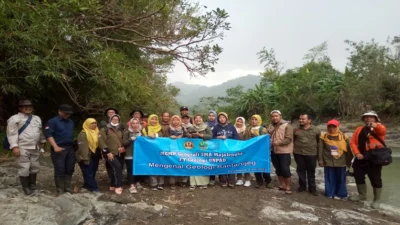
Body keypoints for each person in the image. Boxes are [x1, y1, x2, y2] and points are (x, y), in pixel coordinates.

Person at [6, 100, 46, 195]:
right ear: (20, 108)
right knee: (24, 167)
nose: (28, 108)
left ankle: (32, 185)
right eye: (25, 106)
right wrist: (14, 147)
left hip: (35, 147)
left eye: (30, 106)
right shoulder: (14, 119)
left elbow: (39, 131)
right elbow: (11, 134)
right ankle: (26, 187)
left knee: (34, 166)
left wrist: (42, 141)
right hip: (22, 147)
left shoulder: (36, 118)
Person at [349, 111, 386, 209]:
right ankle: (362, 195)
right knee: (358, 176)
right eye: (366, 117)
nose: (368, 118)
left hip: (375, 158)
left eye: (371, 117)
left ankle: (377, 199)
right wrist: (357, 153)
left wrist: (376, 125)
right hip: (360, 157)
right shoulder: (359, 129)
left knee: (375, 178)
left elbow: (382, 131)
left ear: (375, 119)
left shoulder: (379, 128)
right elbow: (352, 142)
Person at [318, 119, 352, 200]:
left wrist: (350, 162)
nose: (332, 129)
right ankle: (330, 193)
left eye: (334, 127)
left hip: (341, 161)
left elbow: (349, 150)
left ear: (337, 127)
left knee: (341, 178)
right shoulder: (323, 137)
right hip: (328, 160)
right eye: (330, 127)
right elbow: (320, 149)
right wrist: (320, 160)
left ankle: (341, 194)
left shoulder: (344, 136)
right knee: (329, 178)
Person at [45, 104, 75, 195]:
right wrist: (55, 146)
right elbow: (49, 135)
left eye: (69, 114)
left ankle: (67, 187)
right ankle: (60, 190)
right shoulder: (53, 122)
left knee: (70, 168)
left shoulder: (70, 122)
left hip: (70, 148)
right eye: (65, 113)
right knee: (60, 169)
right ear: (59, 111)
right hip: (59, 147)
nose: (67, 115)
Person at [293, 113, 320, 196]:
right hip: (298, 153)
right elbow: (293, 140)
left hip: (311, 153)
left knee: (311, 171)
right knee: (300, 170)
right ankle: (302, 186)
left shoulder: (316, 130)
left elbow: (318, 141)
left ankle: (312, 188)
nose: (300, 120)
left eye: (303, 119)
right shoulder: (296, 129)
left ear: (309, 120)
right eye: (300, 119)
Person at [99, 114, 125, 195]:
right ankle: (118, 186)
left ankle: (113, 184)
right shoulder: (104, 129)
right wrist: (107, 152)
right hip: (109, 153)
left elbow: (123, 140)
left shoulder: (121, 129)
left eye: (117, 119)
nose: (115, 120)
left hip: (119, 153)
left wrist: (123, 147)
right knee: (117, 167)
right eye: (114, 119)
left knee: (117, 169)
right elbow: (101, 141)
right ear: (110, 120)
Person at [185, 114, 212, 190]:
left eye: (200, 118)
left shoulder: (206, 127)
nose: (198, 120)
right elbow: (186, 134)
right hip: (193, 149)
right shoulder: (191, 127)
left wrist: (201, 135)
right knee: (193, 164)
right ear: (194, 120)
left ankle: (203, 183)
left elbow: (210, 136)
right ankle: (193, 183)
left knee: (202, 164)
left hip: (203, 148)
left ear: (202, 119)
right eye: (196, 118)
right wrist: (190, 135)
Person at [212, 112, 239, 188]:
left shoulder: (231, 127)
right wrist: (218, 137)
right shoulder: (216, 127)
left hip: (230, 150)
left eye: (223, 117)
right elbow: (212, 138)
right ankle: (223, 181)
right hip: (220, 150)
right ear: (218, 119)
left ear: (226, 118)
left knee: (231, 164)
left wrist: (234, 147)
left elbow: (236, 137)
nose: (222, 119)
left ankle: (231, 181)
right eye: (220, 117)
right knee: (222, 164)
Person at [75, 118, 101, 193]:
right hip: (86, 156)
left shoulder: (97, 132)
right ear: (87, 124)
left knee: (93, 171)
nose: (94, 125)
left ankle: (86, 186)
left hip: (95, 155)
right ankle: (94, 188)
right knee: (88, 172)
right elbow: (82, 147)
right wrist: (84, 158)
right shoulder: (83, 133)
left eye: (95, 123)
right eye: (91, 123)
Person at [246, 114, 271, 189]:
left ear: (259, 120)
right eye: (252, 119)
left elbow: (264, 140)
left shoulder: (262, 129)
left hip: (262, 151)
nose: (253, 121)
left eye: (255, 119)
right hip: (253, 151)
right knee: (256, 166)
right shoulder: (249, 129)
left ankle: (268, 181)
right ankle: (259, 181)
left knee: (264, 166)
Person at [142, 114, 165, 191]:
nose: (154, 121)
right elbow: (142, 139)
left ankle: (161, 183)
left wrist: (157, 135)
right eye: (152, 119)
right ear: (149, 120)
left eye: (155, 119)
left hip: (160, 150)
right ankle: (153, 184)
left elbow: (165, 137)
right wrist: (148, 136)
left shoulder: (160, 128)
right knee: (152, 166)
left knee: (160, 166)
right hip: (149, 151)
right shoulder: (145, 129)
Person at [123, 118, 142, 194]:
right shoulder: (127, 132)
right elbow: (124, 143)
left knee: (138, 169)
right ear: (130, 124)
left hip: (139, 155)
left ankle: (137, 182)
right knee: (130, 169)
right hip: (129, 154)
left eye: (136, 123)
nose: (135, 125)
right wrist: (130, 139)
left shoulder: (141, 132)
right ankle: (131, 185)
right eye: (133, 123)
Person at [166, 115, 184, 190]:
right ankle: (172, 183)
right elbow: (164, 137)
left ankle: (181, 181)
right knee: (172, 165)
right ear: (171, 121)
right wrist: (170, 137)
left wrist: (182, 136)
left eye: (177, 120)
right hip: (171, 149)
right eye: (174, 120)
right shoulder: (169, 128)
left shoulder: (183, 128)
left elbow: (188, 136)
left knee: (181, 164)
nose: (175, 121)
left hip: (181, 149)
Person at [234, 117, 249, 186]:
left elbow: (247, 140)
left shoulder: (246, 130)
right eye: (238, 121)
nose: (239, 123)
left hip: (244, 149)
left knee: (246, 164)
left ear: (243, 122)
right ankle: (239, 179)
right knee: (237, 164)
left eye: (241, 122)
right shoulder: (233, 129)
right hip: (235, 150)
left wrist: (243, 147)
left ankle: (247, 179)